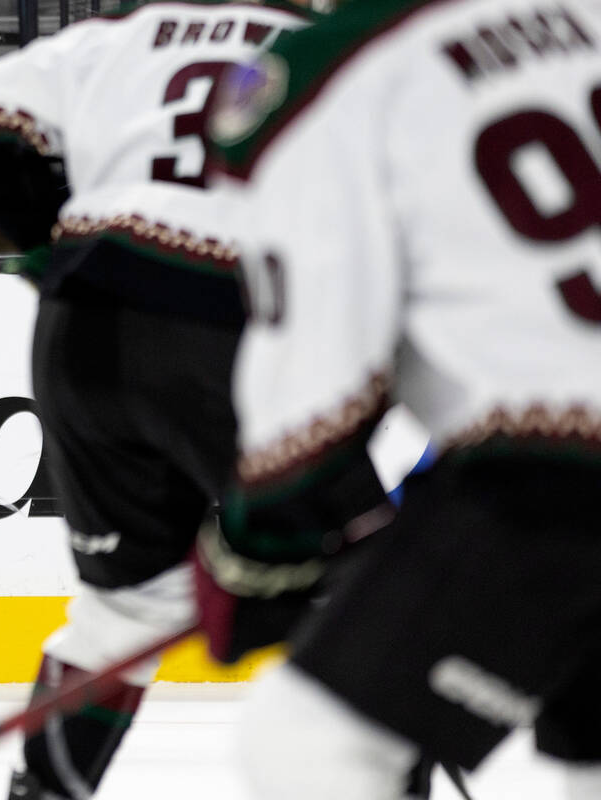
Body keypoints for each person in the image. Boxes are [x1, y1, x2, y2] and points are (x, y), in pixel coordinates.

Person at [194, 0, 601, 797]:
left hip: (562, 475)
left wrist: (255, 551)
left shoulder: (333, 73)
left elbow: (315, 372)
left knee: (309, 745)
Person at [0, 2, 337, 797]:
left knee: (127, 610)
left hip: (79, 324)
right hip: (227, 313)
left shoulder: (108, 40)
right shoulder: (324, 43)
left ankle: (46, 789)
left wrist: (52, 243)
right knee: (357, 591)